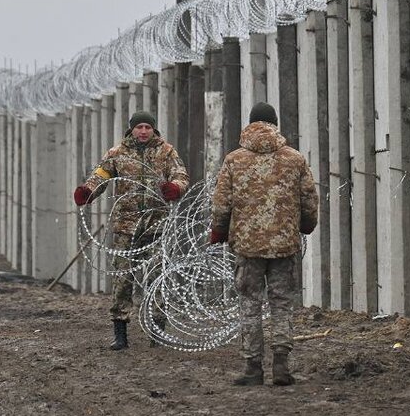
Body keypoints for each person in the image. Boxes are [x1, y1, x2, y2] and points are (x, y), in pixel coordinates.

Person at [208, 102, 318, 386]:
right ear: (274, 124)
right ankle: (281, 365)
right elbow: (309, 199)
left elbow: (222, 204)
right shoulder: (294, 159)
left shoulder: (234, 160)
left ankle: (252, 368)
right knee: (282, 304)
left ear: (251, 124)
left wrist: (219, 231)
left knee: (249, 304)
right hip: (284, 245)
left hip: (247, 246)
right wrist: (306, 225)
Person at [74, 111, 188, 351]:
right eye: (139, 127)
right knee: (122, 279)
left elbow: (180, 175)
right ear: (131, 130)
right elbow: (100, 177)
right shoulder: (117, 154)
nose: (143, 131)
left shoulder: (166, 152)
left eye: (147, 127)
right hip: (126, 226)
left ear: (153, 129)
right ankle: (120, 332)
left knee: (158, 277)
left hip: (157, 225)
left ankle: (158, 331)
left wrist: (174, 188)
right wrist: (88, 192)